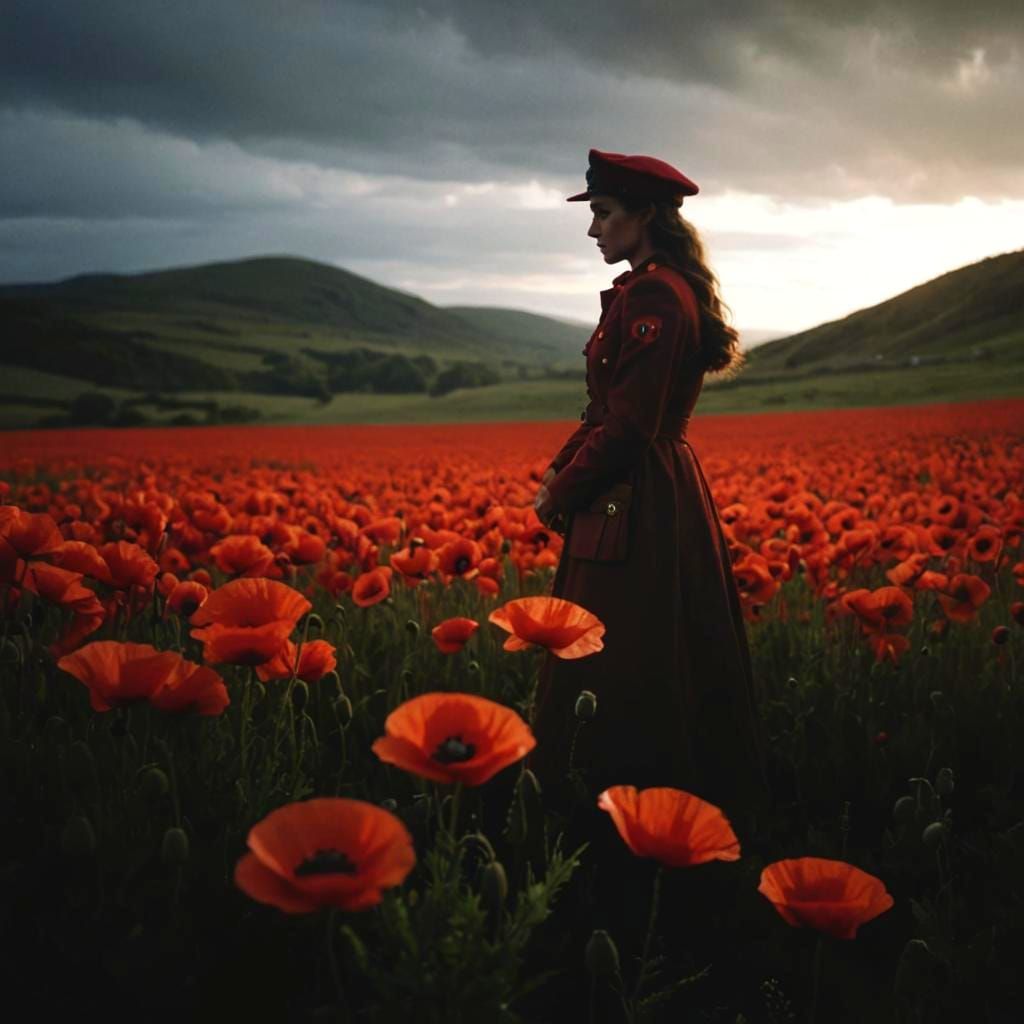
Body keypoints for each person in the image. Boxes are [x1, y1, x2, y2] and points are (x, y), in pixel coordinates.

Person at [529, 148, 770, 840]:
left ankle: (624, 813)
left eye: (604, 214)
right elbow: (603, 412)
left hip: (637, 496)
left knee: (627, 653)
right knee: (642, 646)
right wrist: (558, 474)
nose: (593, 230)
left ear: (645, 215)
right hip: (630, 489)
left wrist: (562, 493)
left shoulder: (657, 295)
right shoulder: (648, 289)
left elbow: (630, 426)